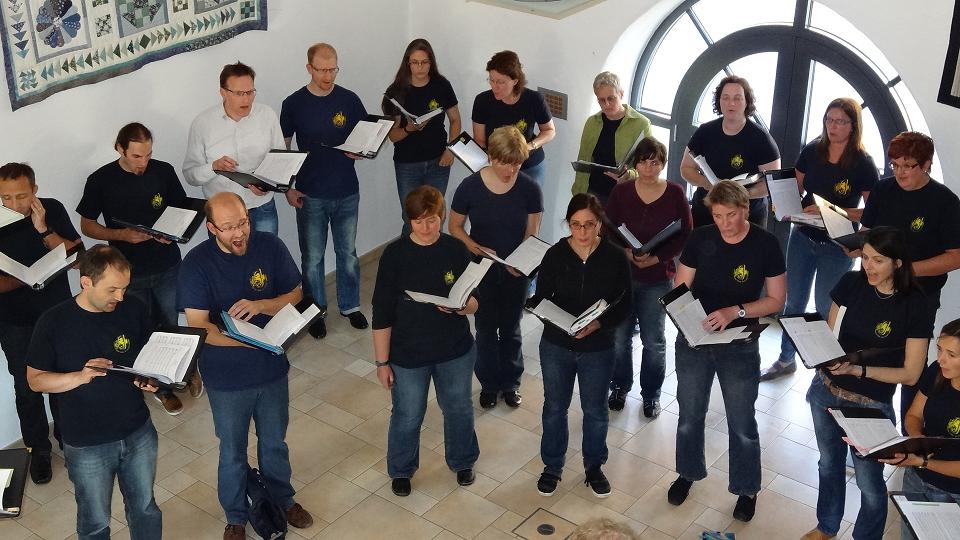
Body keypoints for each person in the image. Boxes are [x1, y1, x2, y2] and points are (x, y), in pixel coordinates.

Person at [177, 193, 313, 540]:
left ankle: (284, 499)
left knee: (274, 442)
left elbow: (296, 294)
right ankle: (236, 517)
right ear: (211, 228)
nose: (239, 233)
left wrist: (262, 305)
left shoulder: (270, 246)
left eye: (243, 223)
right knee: (233, 451)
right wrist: (249, 341)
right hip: (227, 377)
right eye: (228, 227)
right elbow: (199, 326)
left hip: (271, 369)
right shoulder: (196, 264)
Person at [802, 227, 934, 540]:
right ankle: (827, 527)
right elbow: (829, 337)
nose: (868, 267)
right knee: (828, 464)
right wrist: (815, 350)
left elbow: (911, 374)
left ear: (898, 263)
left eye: (878, 260)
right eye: (865, 258)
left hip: (870, 404)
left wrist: (859, 370)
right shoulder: (851, 283)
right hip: (825, 391)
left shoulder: (916, 303)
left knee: (869, 483)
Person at [667, 180, 785, 522]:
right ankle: (687, 472)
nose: (724, 223)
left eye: (731, 215)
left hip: (740, 343)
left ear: (745, 210)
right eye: (717, 216)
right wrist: (689, 320)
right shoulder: (700, 238)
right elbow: (680, 288)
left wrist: (736, 311)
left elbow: (777, 300)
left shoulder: (765, 244)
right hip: (697, 337)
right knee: (690, 414)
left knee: (742, 420)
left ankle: (746, 489)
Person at [26, 245, 162, 540]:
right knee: (95, 524)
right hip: (87, 443)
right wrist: (80, 376)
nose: (120, 297)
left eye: (124, 288)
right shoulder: (53, 322)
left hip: (138, 431)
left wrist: (149, 379)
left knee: (145, 509)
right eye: (112, 290)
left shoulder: (133, 308)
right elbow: (35, 381)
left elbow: (144, 359)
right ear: (86, 282)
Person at [78, 122, 200, 417]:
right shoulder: (101, 180)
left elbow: (181, 210)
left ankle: (186, 372)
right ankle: (161, 389)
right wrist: (121, 235)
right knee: (142, 331)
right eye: (136, 156)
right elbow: (87, 225)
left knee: (173, 324)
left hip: (167, 264)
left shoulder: (163, 171)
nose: (143, 162)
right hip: (127, 275)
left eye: (147, 155)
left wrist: (172, 232)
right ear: (120, 149)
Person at [372, 185, 480, 497]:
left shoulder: (455, 249)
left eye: (432, 220)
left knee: (458, 408)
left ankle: (463, 461)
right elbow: (382, 313)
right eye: (418, 222)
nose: (426, 228)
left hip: (454, 350)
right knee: (408, 414)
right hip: (408, 355)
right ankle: (401, 469)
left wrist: (463, 307)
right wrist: (382, 363)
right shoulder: (395, 255)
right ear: (409, 221)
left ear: (441, 217)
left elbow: (475, 301)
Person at [762, 98, 879, 381]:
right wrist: (783, 204)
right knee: (794, 303)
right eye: (829, 120)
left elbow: (873, 211)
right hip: (803, 238)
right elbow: (794, 188)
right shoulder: (812, 151)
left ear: (853, 126)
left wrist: (834, 210)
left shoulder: (863, 163)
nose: (833, 126)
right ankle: (786, 359)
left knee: (827, 308)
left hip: (838, 245)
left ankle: (824, 370)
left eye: (840, 121)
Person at [534, 193, 631, 498]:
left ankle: (594, 467)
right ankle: (552, 466)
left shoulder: (615, 257)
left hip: (598, 346)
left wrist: (599, 323)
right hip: (556, 344)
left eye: (589, 224)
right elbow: (542, 297)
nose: (582, 232)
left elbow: (625, 304)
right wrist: (553, 317)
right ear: (568, 224)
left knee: (595, 410)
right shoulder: (555, 254)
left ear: (600, 223)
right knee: (554, 407)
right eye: (575, 225)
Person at [859, 132, 960, 422]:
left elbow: (955, 256)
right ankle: (868, 420)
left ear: (926, 165)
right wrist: (854, 246)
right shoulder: (883, 189)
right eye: (894, 165)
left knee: (911, 366)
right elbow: (867, 233)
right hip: (878, 290)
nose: (900, 172)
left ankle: (909, 429)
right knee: (873, 352)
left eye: (908, 166)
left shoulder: (944, 201)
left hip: (919, 293)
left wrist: (907, 269)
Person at [449, 126, 542, 409]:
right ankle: (489, 384)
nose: (510, 170)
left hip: (515, 270)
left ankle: (511, 383)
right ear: (491, 156)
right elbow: (455, 226)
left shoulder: (530, 188)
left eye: (516, 164)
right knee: (486, 329)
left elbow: (532, 234)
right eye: (504, 163)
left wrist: (520, 263)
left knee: (511, 328)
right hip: (482, 269)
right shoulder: (470, 186)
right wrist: (475, 247)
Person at [281, 43, 369, 340]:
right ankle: (315, 311)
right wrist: (288, 188)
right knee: (313, 258)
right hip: (310, 193)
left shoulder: (349, 99)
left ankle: (350, 306)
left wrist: (361, 151)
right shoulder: (293, 103)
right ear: (309, 68)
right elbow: (284, 149)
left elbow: (366, 138)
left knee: (348, 254)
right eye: (322, 70)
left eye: (333, 69)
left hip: (346, 190)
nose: (328, 76)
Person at [0, 162, 81, 484]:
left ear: (34, 190)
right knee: (26, 388)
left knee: (64, 381)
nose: (14, 204)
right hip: (14, 322)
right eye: (5, 198)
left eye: (21, 196)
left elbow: (78, 258)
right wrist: (25, 279)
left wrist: (44, 229)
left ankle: (69, 441)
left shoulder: (52, 209)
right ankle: (38, 451)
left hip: (57, 315)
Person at [604, 137, 692, 417]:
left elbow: (685, 234)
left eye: (655, 162)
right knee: (620, 337)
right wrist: (626, 253)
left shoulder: (675, 192)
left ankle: (651, 395)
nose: (648, 168)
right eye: (643, 162)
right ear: (635, 164)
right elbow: (607, 229)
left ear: (663, 164)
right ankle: (619, 386)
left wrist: (656, 258)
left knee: (654, 340)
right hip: (623, 275)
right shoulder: (622, 192)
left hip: (657, 277)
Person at [878, 318, 960, 540]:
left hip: (953, 493)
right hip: (917, 479)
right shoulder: (936, 372)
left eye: (951, 355)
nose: (941, 359)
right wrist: (918, 441)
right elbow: (914, 415)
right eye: (939, 349)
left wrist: (922, 461)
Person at [184, 61, 284, 234]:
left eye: (250, 92)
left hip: (261, 207)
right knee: (225, 253)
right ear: (223, 92)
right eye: (239, 93)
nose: (246, 99)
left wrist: (266, 184)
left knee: (267, 252)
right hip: (222, 213)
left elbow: (282, 161)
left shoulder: (267, 115)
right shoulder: (203, 124)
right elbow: (190, 175)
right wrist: (214, 167)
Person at [382, 38, 461, 235]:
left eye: (424, 62)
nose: (420, 67)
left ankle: (434, 253)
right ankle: (409, 254)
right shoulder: (396, 91)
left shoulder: (441, 85)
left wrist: (451, 150)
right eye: (415, 62)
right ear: (407, 63)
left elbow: (455, 120)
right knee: (412, 217)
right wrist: (409, 128)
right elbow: (393, 137)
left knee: (435, 215)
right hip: (407, 164)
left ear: (431, 62)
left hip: (438, 161)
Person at [679, 75, 780, 228]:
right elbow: (686, 168)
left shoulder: (761, 138)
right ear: (719, 101)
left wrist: (741, 194)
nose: (731, 103)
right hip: (706, 211)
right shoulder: (705, 131)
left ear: (747, 102)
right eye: (725, 98)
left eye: (737, 98)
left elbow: (772, 183)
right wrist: (706, 183)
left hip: (746, 215)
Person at [471, 50, 556, 187]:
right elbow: (480, 140)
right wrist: (492, 164)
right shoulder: (482, 101)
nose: (494, 86)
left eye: (501, 82)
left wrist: (530, 146)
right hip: (497, 166)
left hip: (529, 166)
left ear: (515, 81)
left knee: (530, 200)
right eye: (491, 80)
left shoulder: (534, 99)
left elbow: (549, 131)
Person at [572, 71, 652, 206]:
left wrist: (630, 175)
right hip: (591, 192)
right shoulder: (592, 122)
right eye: (601, 100)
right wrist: (578, 194)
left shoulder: (641, 124)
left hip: (624, 195)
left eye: (611, 98)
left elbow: (650, 164)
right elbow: (583, 158)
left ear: (621, 94)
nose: (607, 105)